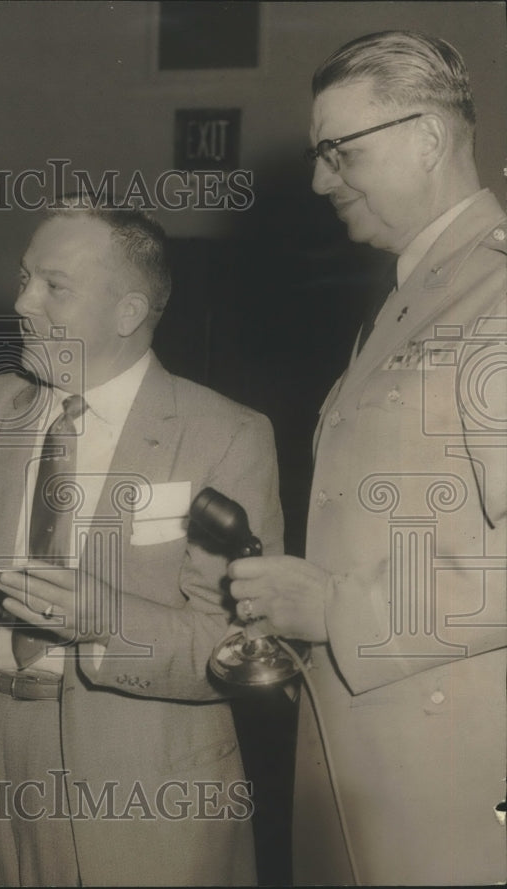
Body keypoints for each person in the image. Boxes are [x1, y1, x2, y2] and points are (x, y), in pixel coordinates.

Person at [0, 198, 284, 885]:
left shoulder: (226, 435)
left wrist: (108, 621)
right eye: (24, 276)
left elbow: (238, 643)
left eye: (54, 286)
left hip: (143, 787)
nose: (23, 301)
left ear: (128, 312)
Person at [226, 31, 507, 885]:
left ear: (427, 139)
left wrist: (339, 607)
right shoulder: (409, 301)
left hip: (448, 792)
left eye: (339, 152)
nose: (318, 180)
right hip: (362, 768)